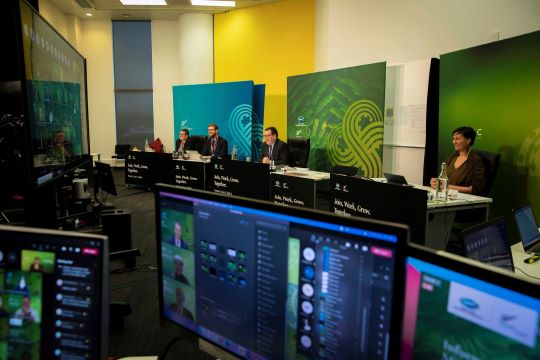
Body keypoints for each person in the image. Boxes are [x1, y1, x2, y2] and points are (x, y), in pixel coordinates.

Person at [430, 126, 485, 195]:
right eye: (453, 139)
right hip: (446, 195)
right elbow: (443, 180)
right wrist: (436, 182)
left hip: (462, 200)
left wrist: (447, 187)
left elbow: (475, 189)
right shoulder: (451, 158)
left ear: (468, 140)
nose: (454, 142)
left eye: (457, 139)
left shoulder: (475, 160)